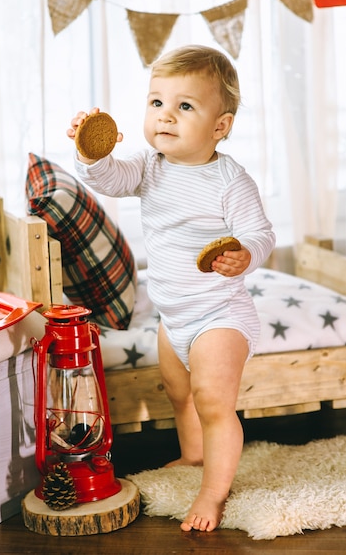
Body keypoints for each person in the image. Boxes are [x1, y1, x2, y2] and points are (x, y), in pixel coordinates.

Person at [67, 45, 275, 532]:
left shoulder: (230, 180)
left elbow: (262, 233)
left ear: (219, 126)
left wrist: (245, 253)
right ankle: (194, 456)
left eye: (185, 106)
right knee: (179, 395)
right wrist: (89, 152)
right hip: (173, 314)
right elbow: (109, 179)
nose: (165, 116)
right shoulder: (148, 165)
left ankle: (214, 493)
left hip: (218, 315)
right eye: (156, 102)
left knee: (212, 401)